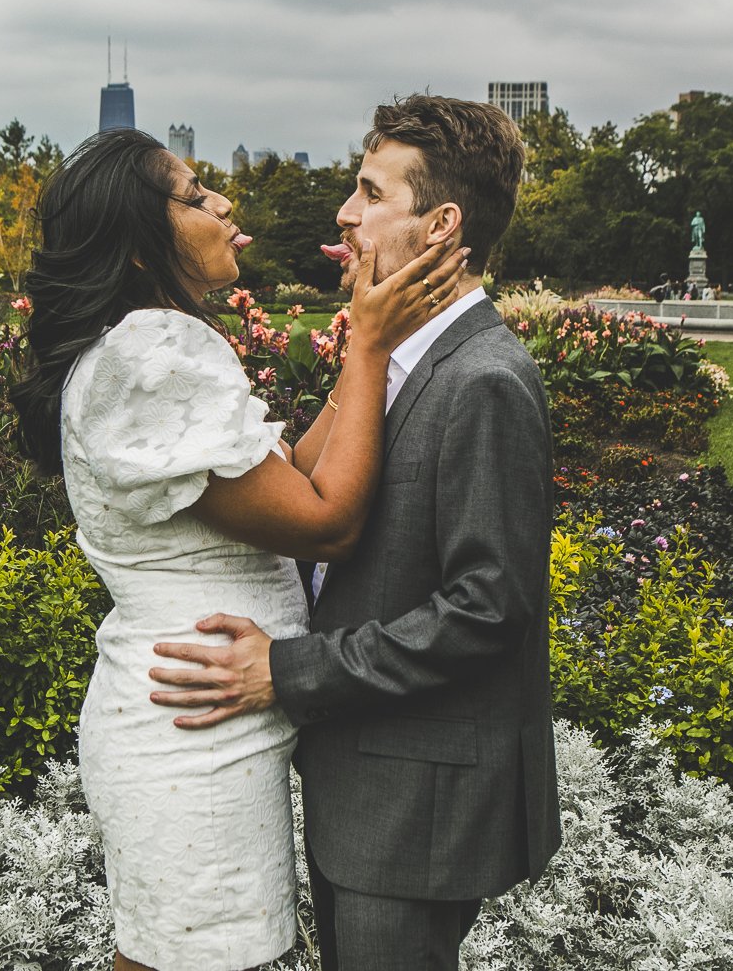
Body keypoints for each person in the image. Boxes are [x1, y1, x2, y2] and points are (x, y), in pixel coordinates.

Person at [8, 127, 469, 971]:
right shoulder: (156, 349)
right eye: (191, 196)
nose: (223, 204)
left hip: (198, 715)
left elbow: (283, 484)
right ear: (140, 246)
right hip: (194, 728)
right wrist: (368, 345)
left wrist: (376, 350)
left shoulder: (136, 347)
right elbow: (326, 520)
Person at [149, 95, 562, 971]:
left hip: (415, 810)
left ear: (441, 225)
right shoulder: (406, 357)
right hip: (370, 790)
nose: (345, 213)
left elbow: (489, 610)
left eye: (370, 193)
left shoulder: (483, 378)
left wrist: (285, 671)